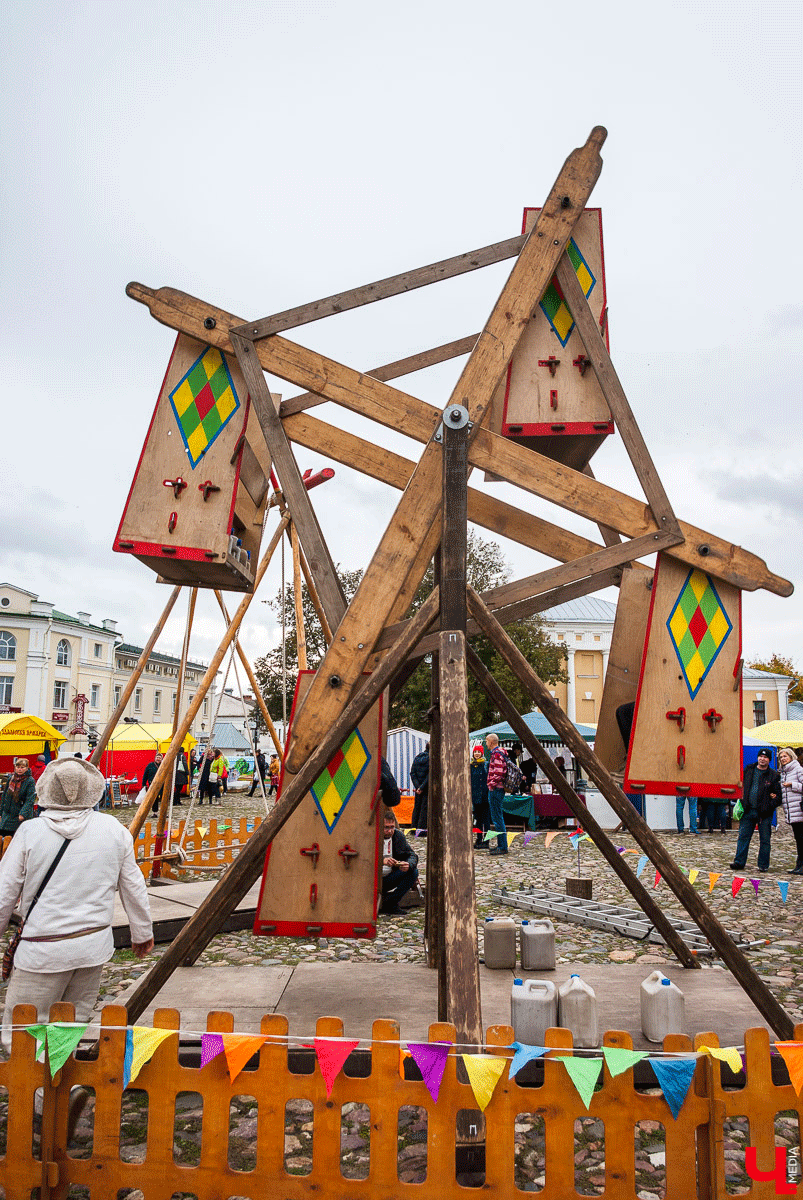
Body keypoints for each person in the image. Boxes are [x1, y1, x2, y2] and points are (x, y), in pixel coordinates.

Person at [0, 758, 153, 1050]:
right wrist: (142, 932)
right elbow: (133, 886)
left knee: (21, 1035)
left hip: (42, 950)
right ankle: (62, 1076)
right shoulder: (114, 830)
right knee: (69, 1028)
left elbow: (4, 892)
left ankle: (41, 1080)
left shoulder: (30, 832)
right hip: (91, 947)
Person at [729, 748, 782, 873]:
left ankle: (763, 865)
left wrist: (768, 806)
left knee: (765, 840)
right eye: (761, 757)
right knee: (743, 837)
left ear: (769, 760)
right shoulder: (749, 770)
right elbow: (740, 784)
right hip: (748, 810)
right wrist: (743, 802)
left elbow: (778, 797)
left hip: (764, 813)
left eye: (765, 757)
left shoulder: (773, 775)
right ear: (758, 757)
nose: (762, 759)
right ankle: (739, 862)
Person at [379, 809, 419, 915]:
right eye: (386, 827)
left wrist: (408, 864)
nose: (390, 831)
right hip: (371, 880)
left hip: (389, 878)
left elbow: (412, 855)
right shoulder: (372, 836)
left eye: (392, 827)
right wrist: (381, 861)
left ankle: (391, 903)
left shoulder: (397, 835)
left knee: (413, 872)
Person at [1, 758, 37, 857]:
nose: (20, 769)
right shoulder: (11, 778)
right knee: (4, 837)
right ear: (15, 767)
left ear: (27, 768)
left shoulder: (30, 781)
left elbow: (30, 799)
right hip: (7, 813)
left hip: (19, 815)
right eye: (18, 767)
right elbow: (5, 796)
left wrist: (22, 814)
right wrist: (1, 812)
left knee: (15, 840)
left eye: (22, 767)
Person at [778, 747, 803, 874]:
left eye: (785, 756)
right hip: (792, 812)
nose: (783, 759)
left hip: (800, 810)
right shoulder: (783, 773)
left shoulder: (798, 769)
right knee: (798, 839)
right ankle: (799, 865)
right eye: (781, 757)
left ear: (791, 757)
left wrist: (793, 785)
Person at [485, 733, 509, 856]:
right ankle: (501, 844)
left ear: (491, 742)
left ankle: (502, 846)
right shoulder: (500, 753)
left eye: (486, 741)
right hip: (498, 789)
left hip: (496, 789)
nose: (486, 743)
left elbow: (499, 773)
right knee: (497, 818)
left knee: (497, 818)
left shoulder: (497, 754)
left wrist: (491, 784)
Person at [470, 743, 489, 849]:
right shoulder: (470, 765)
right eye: (475, 752)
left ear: (482, 753)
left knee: (486, 820)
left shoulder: (486, 764)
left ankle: (486, 840)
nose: (477, 754)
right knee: (477, 820)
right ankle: (478, 838)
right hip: (475, 796)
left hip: (485, 796)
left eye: (478, 752)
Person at [410, 745, 430, 832]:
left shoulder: (417, 758)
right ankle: (421, 830)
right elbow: (429, 776)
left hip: (418, 788)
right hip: (426, 788)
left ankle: (413, 828)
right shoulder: (431, 759)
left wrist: (417, 787)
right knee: (424, 809)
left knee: (417, 808)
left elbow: (412, 773)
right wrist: (422, 787)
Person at [142, 751, 164, 816]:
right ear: (155, 758)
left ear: (162, 759)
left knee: (163, 798)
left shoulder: (163, 765)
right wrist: (144, 784)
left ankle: (164, 812)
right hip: (153, 784)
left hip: (162, 784)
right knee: (154, 798)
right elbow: (145, 775)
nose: (158, 759)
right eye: (157, 757)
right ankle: (155, 812)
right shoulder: (150, 765)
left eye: (159, 758)